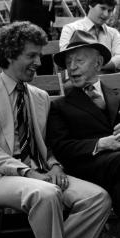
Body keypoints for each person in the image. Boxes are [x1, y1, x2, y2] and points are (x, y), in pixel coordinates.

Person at [0, 21, 111, 238]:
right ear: (10, 55)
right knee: (46, 193)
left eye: (39, 55)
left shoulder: (40, 96)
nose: (39, 63)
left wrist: (54, 166)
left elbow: (47, 144)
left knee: (97, 198)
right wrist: (29, 172)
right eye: (32, 56)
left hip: (40, 172)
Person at [47, 29, 120, 221]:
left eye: (79, 61)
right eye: (69, 63)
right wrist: (102, 144)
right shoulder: (59, 105)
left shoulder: (116, 96)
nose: (72, 68)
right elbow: (62, 148)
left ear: (98, 64)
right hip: (85, 167)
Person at [10, 0, 64, 75]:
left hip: (44, 17)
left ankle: (49, 87)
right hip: (27, 18)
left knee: (45, 60)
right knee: (27, 58)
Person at [59, 0, 120, 73]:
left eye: (109, 11)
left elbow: (119, 58)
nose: (106, 14)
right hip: (80, 80)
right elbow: (67, 57)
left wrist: (93, 66)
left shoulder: (113, 33)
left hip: (109, 81)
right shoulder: (71, 29)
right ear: (90, 5)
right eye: (102, 8)